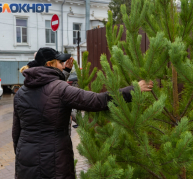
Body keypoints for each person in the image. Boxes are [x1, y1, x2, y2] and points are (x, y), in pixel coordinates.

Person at [12, 47, 153, 179]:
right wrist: (133, 89)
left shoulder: (21, 93)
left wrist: (21, 155)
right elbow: (97, 101)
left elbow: (16, 132)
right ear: (50, 64)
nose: (63, 66)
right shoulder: (60, 89)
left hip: (25, 158)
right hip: (53, 161)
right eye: (60, 63)